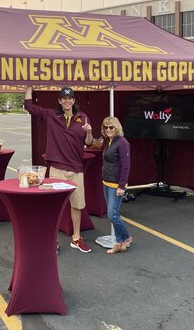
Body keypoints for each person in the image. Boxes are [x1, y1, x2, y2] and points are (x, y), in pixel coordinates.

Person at [25, 86, 93, 253]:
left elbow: (89, 142)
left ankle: (76, 238)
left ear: (74, 100)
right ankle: (52, 239)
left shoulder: (83, 118)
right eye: (64, 98)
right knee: (55, 206)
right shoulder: (51, 115)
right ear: (60, 101)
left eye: (70, 98)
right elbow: (30, 107)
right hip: (57, 169)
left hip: (76, 169)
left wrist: (89, 132)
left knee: (77, 205)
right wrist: (28, 87)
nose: (67, 101)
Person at [101, 116, 132, 254]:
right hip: (106, 182)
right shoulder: (110, 141)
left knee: (112, 215)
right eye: (106, 127)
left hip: (115, 185)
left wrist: (121, 186)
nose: (108, 129)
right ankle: (120, 242)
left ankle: (126, 237)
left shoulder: (122, 142)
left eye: (111, 127)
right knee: (113, 214)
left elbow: (126, 166)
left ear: (117, 127)